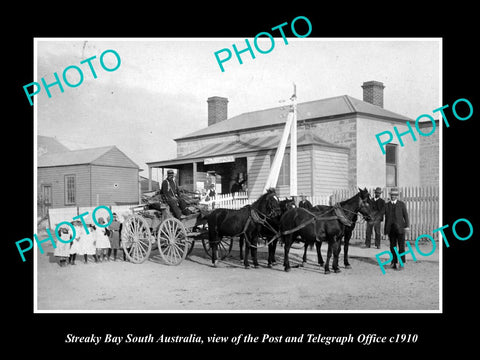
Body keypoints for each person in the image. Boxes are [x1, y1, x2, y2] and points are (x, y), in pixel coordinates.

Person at [384, 188, 410, 270]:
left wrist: (407, 226)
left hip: (400, 229)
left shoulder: (401, 204)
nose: (393, 196)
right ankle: (393, 262)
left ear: (397, 196)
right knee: (392, 247)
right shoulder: (386, 205)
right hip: (391, 230)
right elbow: (382, 215)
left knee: (401, 247)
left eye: (395, 195)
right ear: (390, 195)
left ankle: (401, 263)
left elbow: (405, 216)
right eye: (392, 195)